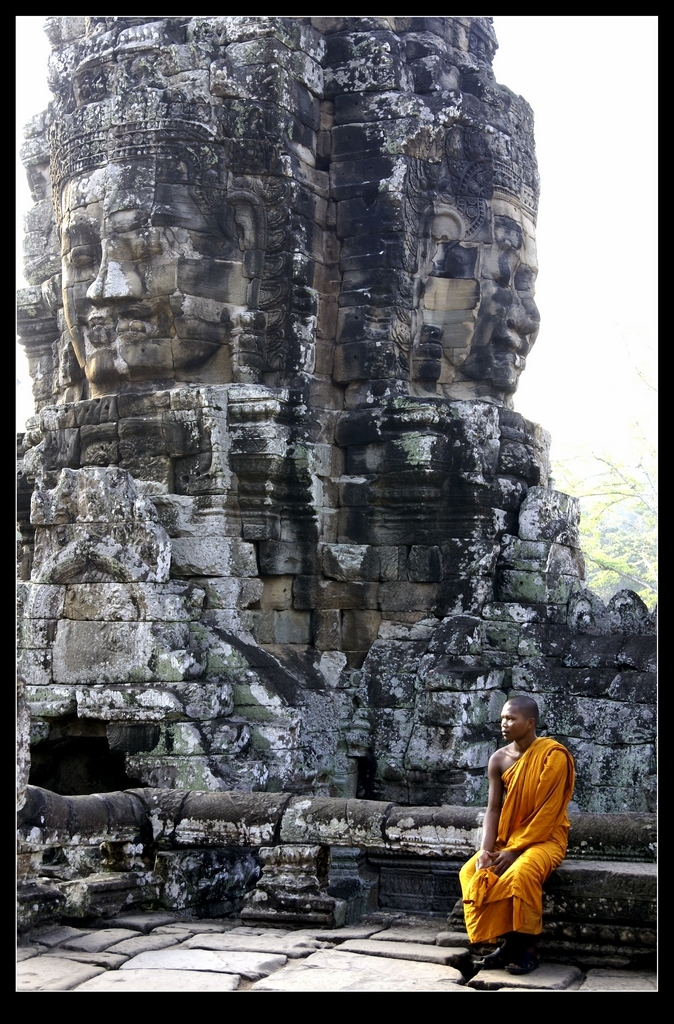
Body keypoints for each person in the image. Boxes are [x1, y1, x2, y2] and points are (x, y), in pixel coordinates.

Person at [459, 694, 575, 974]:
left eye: (511, 718)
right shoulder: (498, 759)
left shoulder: (553, 755)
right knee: (472, 872)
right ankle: (508, 943)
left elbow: (549, 812)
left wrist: (515, 850)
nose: (504, 724)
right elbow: (493, 810)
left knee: (520, 874)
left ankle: (530, 946)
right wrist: (486, 851)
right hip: (509, 838)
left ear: (530, 723)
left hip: (545, 839)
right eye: (502, 718)